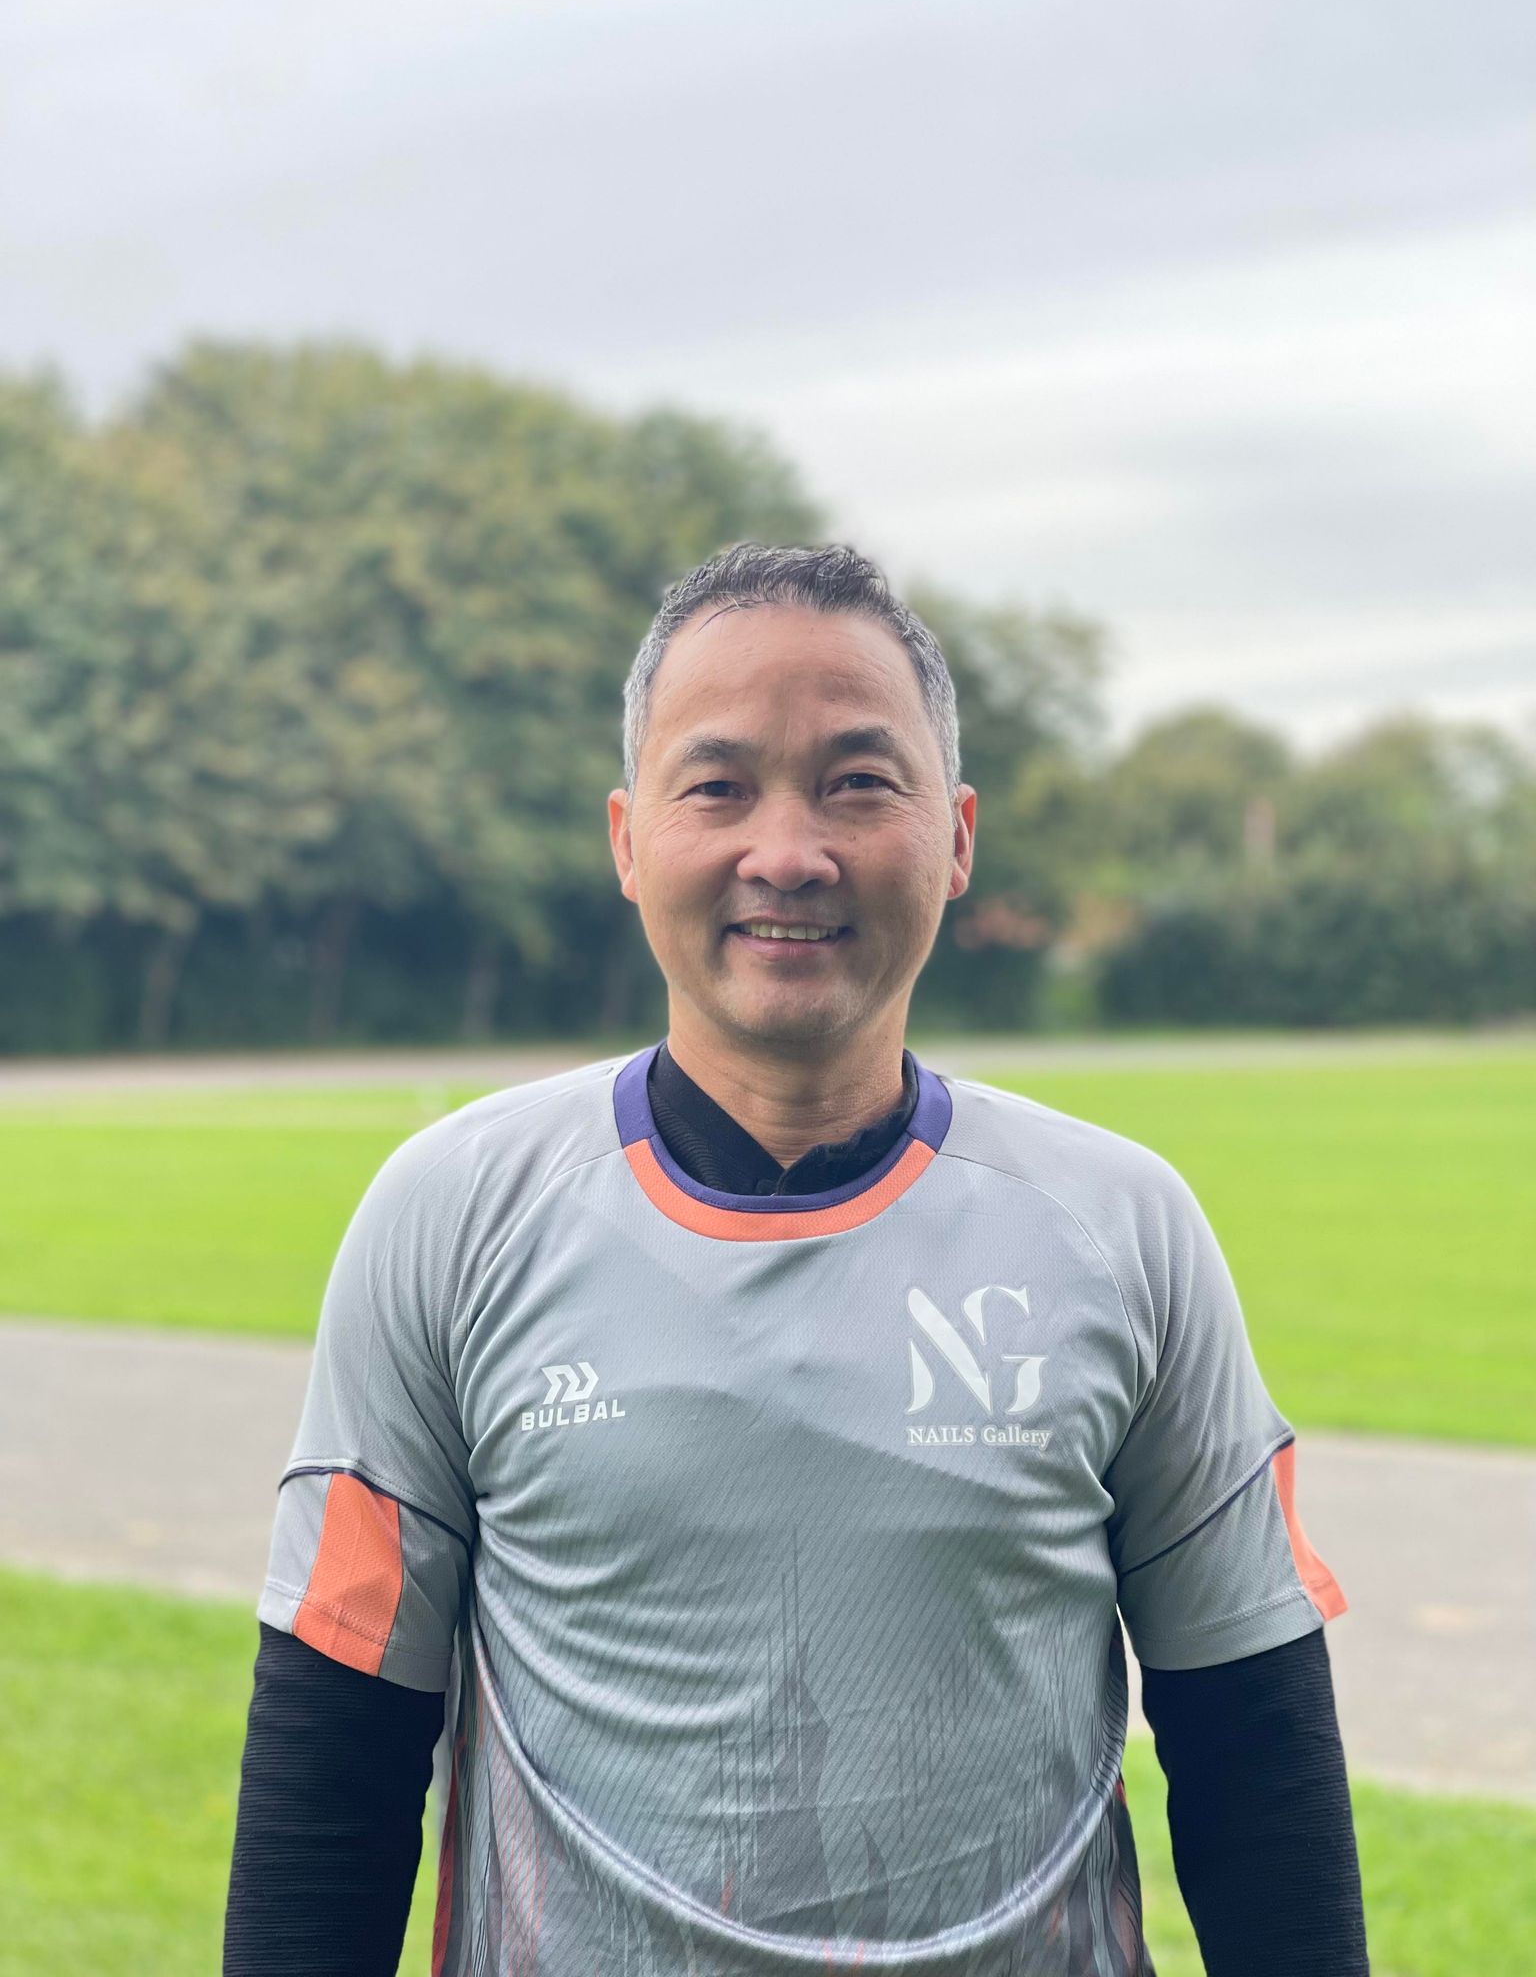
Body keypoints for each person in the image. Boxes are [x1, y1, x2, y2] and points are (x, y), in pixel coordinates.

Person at [224, 542, 1369, 1976]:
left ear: (957, 836)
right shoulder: (450, 1216)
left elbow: (1254, 1745)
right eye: (716, 787)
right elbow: (336, 1754)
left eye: (857, 782)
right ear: (628, 838)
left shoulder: (1121, 1227)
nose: (787, 852)